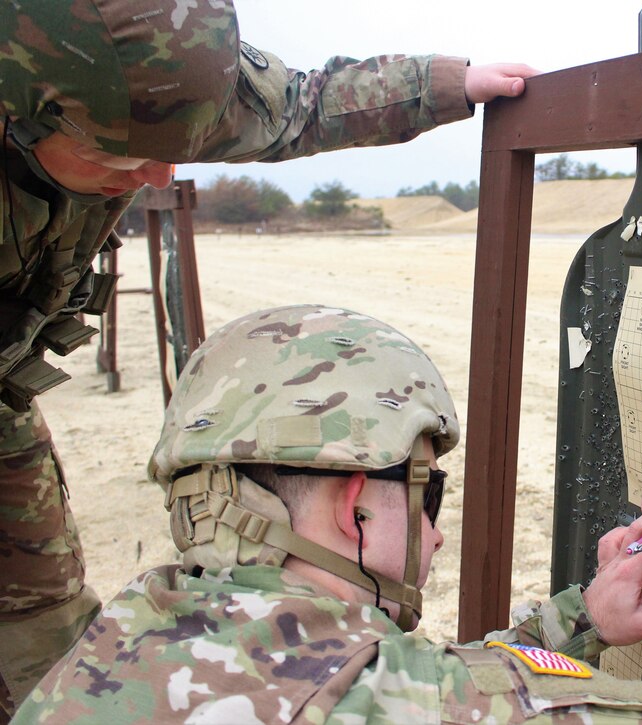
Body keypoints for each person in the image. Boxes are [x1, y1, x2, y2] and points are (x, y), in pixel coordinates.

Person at [0, 2, 535, 717]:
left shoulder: (152, 95)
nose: (156, 173)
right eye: (119, 158)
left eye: (171, 148)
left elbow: (303, 104)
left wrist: (449, 83)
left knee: (46, 634)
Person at [13, 305, 642, 723]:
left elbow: (421, 685)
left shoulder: (133, 624)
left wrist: (575, 622)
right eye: (426, 494)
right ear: (352, 506)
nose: (437, 531)